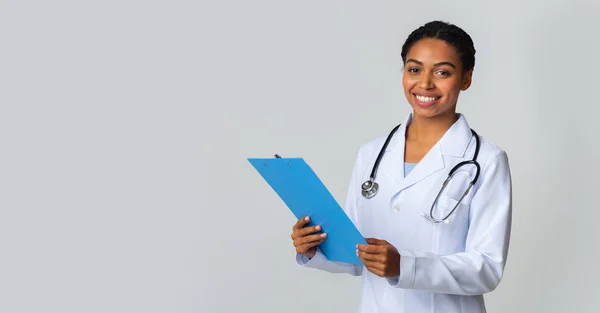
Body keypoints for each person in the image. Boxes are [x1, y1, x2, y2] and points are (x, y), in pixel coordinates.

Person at [290, 20, 512, 313]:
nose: (425, 84)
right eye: (414, 69)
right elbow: (356, 253)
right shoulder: (371, 154)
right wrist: (314, 248)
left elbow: (487, 268)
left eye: (442, 72)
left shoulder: (486, 161)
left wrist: (404, 265)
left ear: (466, 79)